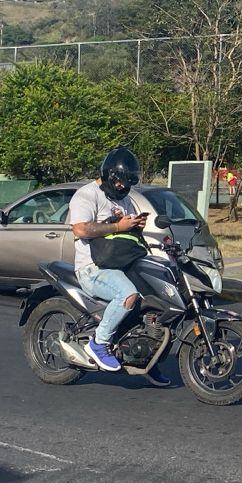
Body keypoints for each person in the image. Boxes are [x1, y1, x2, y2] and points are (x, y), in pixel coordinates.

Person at [68, 146, 166, 385]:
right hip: (93, 268)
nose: (123, 187)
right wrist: (117, 227)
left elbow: (126, 228)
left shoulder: (126, 200)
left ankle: (144, 359)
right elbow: (80, 229)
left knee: (156, 302)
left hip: (122, 264)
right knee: (128, 294)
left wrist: (136, 225)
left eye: (128, 184)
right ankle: (98, 344)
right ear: (109, 175)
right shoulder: (87, 195)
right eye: (120, 182)